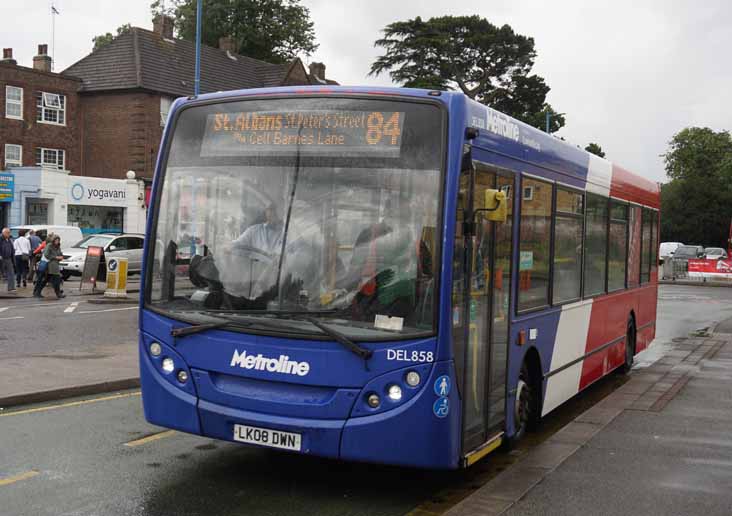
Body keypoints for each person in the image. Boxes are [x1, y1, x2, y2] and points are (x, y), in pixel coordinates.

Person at [42, 235, 66, 299]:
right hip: (51, 264)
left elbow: (60, 254)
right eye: (56, 240)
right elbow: (46, 254)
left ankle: (37, 291)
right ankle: (58, 293)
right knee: (57, 278)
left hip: (56, 264)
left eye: (58, 240)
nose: (57, 241)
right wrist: (55, 257)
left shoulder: (58, 246)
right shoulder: (49, 245)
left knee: (47, 279)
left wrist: (61, 257)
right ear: (53, 240)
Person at [0, 227, 15, 292]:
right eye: (7, 232)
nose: (9, 234)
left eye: (9, 232)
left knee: (11, 273)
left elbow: (12, 248)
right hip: (1, 258)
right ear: (3, 233)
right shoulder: (0, 239)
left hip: (8, 258)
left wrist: (12, 257)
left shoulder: (9, 239)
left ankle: (11, 288)